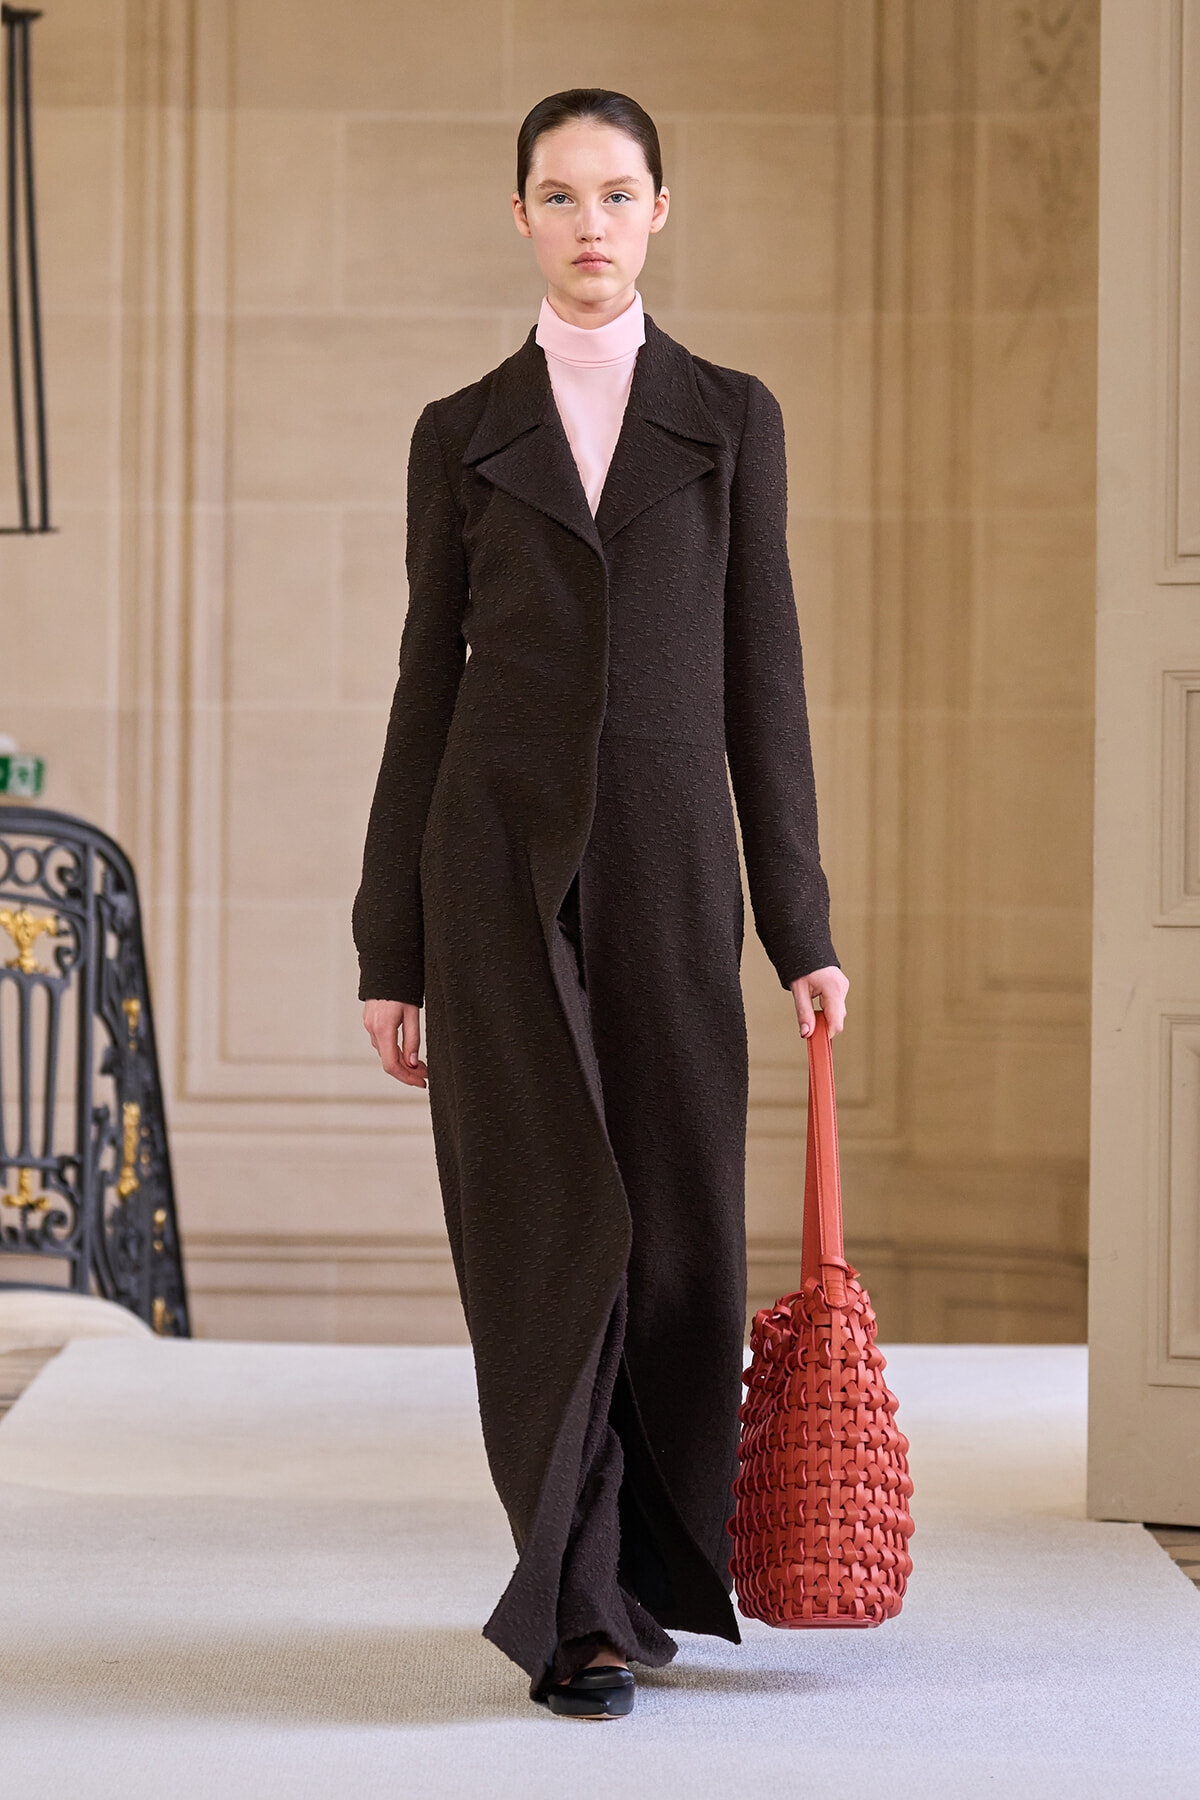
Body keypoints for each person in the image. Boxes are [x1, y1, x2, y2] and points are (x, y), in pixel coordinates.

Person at [354, 88, 848, 1721]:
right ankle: (566, 1605)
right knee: (539, 1228)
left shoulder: (729, 418)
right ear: (519, 217)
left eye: (616, 192)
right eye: (557, 195)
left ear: (658, 211)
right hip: (488, 862)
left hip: (668, 857)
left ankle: (639, 1574)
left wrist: (803, 925)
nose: (588, 221)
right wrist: (390, 945)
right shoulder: (457, 429)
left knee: (680, 1218)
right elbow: (426, 690)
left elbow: (762, 683)